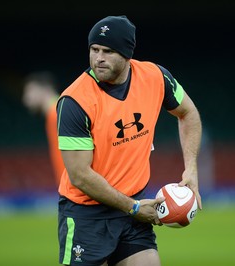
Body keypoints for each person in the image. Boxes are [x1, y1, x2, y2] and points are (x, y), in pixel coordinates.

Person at [57, 15, 202, 266]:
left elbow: (188, 113)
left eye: (108, 51)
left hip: (133, 208)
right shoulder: (74, 102)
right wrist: (134, 208)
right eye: (94, 50)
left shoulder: (156, 77)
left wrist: (191, 168)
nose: (98, 58)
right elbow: (79, 175)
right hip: (87, 215)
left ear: (127, 54)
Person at [22, 71, 65, 186]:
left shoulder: (58, 112)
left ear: (45, 89)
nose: (26, 99)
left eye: (29, 91)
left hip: (73, 192)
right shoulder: (57, 111)